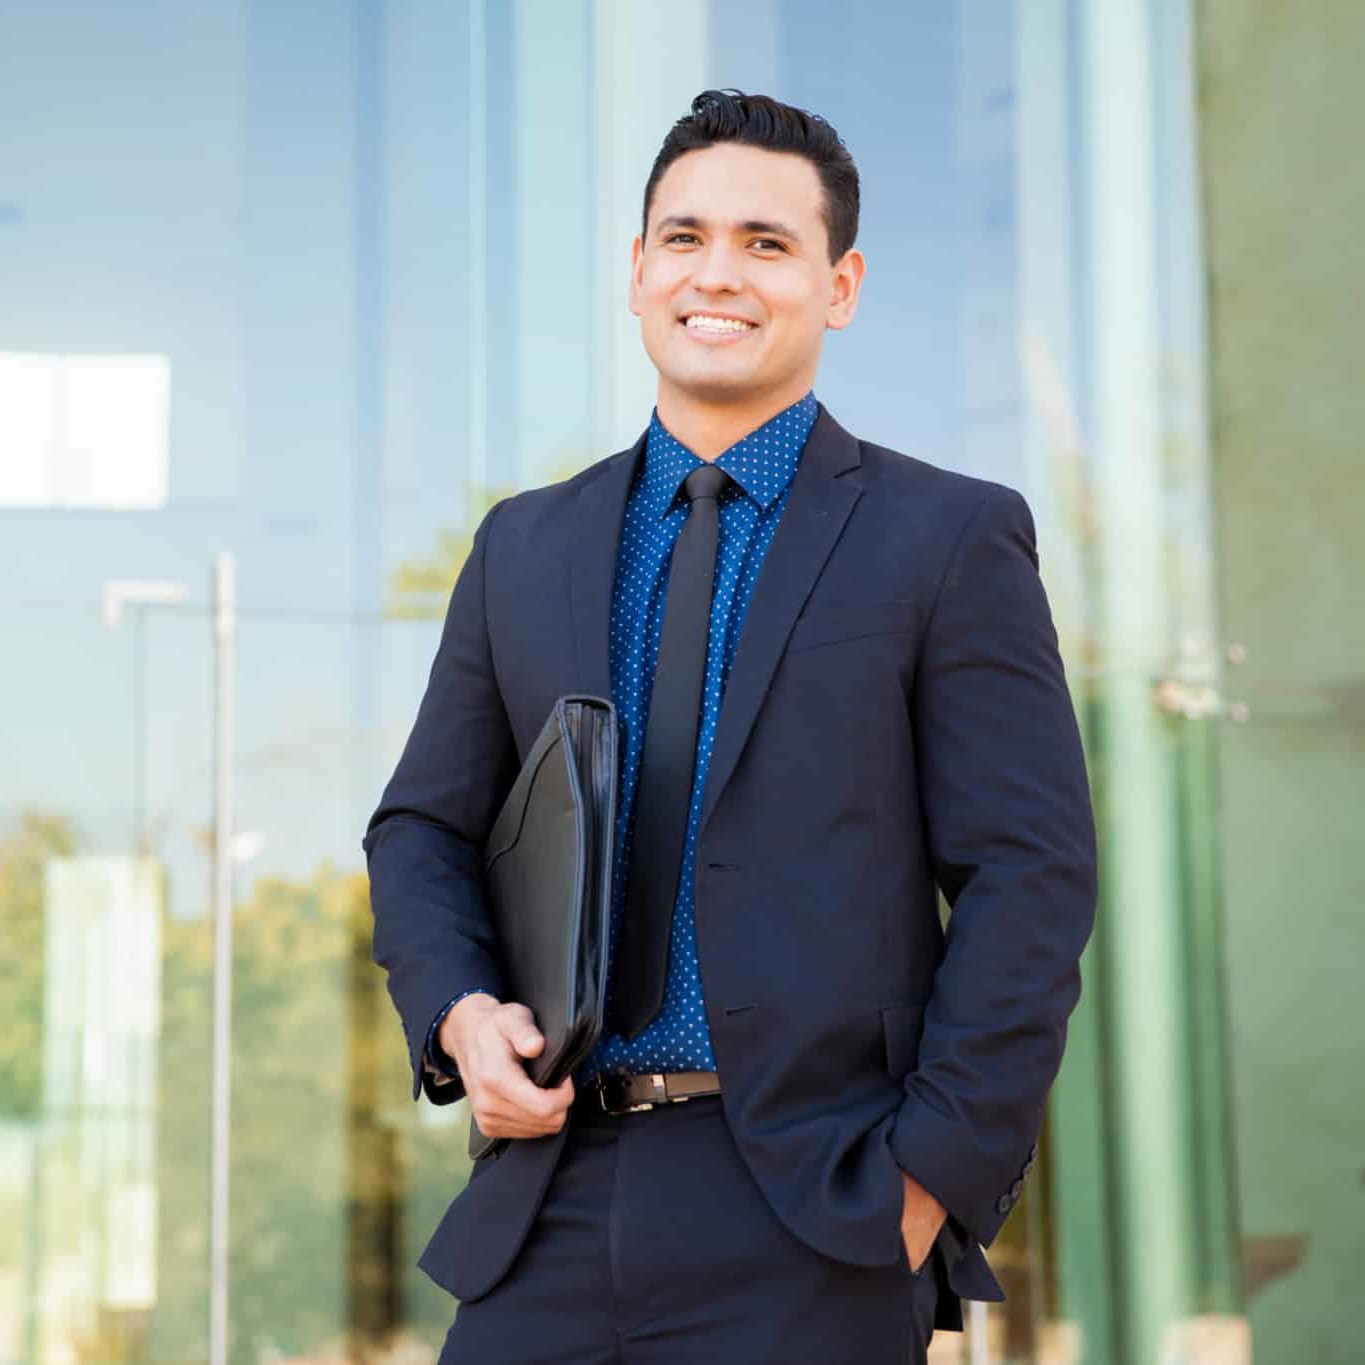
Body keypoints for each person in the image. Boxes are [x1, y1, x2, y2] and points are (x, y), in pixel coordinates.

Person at [364, 88, 1098, 1364]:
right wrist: (461, 1017)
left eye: (768, 243)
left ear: (841, 284)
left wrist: (926, 1180)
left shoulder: (950, 539)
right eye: (684, 237)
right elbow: (422, 829)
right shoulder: (521, 546)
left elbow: (1028, 881)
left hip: (819, 1212)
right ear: (638, 271)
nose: (719, 273)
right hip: (547, 1202)